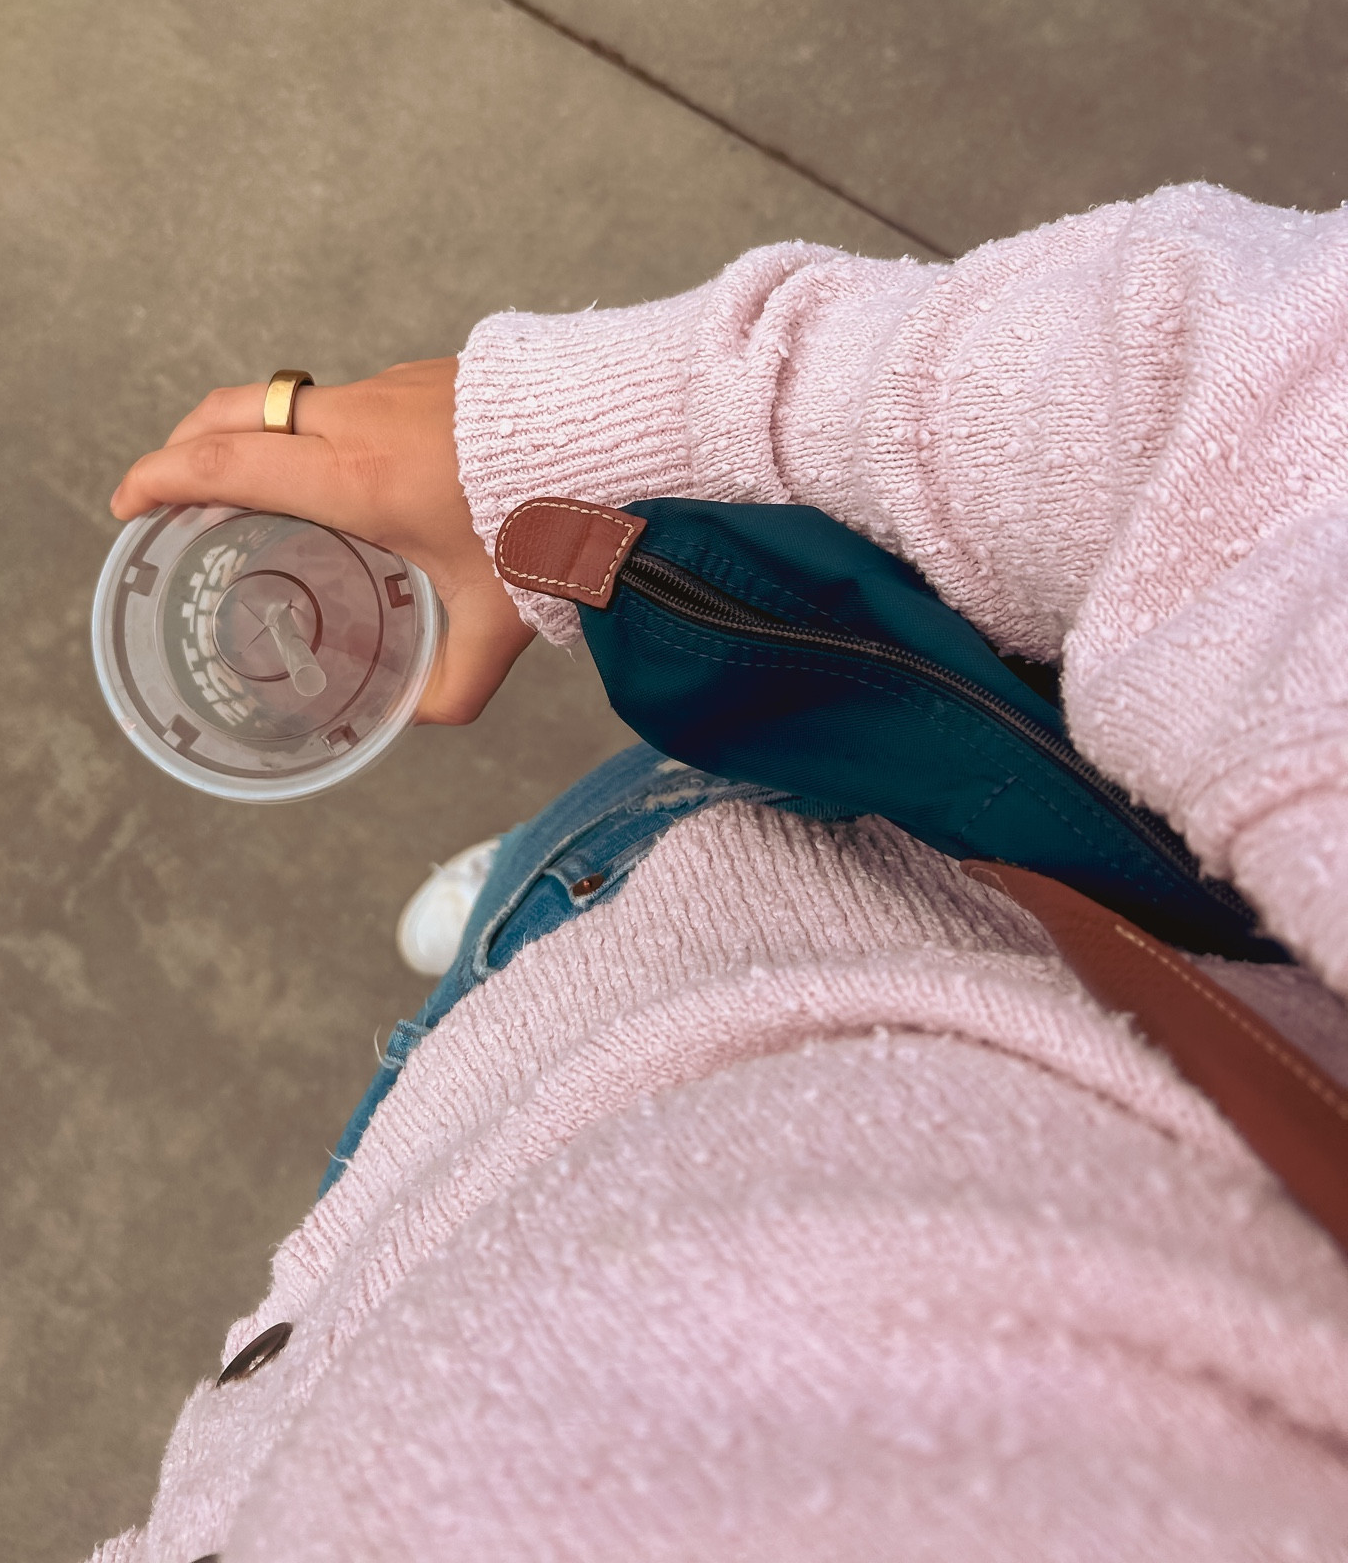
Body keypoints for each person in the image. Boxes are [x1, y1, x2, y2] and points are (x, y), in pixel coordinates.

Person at [92, 183, 1348, 1562]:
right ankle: (528, 909)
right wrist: (579, 441)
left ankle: (516, 929)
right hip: (873, 880)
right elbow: (1280, 406)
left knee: (539, 932)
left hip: (401, 1208)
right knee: (589, 873)